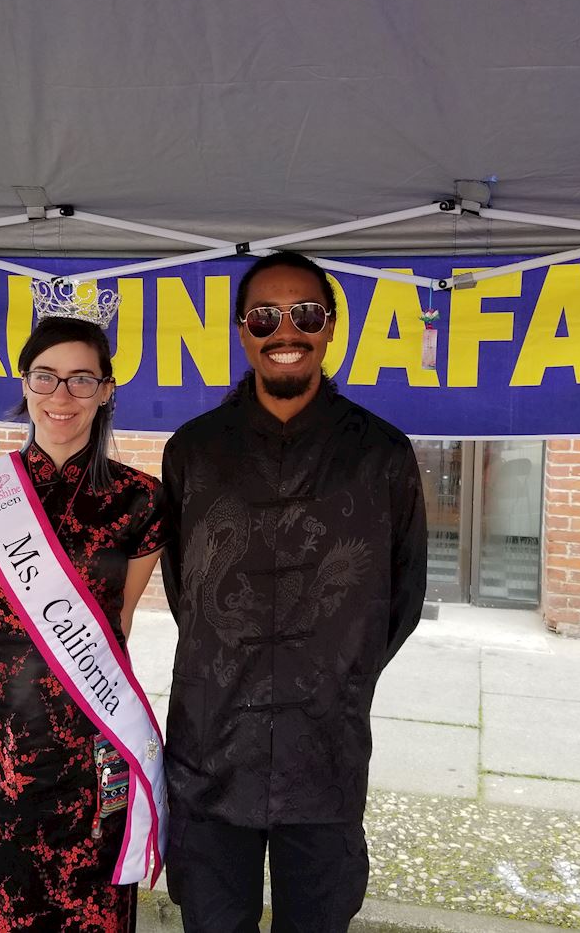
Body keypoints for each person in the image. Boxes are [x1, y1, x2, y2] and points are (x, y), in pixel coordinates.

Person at [160, 251, 428, 932]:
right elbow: (184, 588)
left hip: (325, 751)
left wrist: (337, 673)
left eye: (305, 314)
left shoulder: (382, 454)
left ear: (330, 326)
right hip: (212, 749)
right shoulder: (193, 451)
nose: (286, 331)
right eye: (265, 317)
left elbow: (401, 596)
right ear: (242, 332)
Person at [0, 308, 168, 933]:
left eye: (81, 379)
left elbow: (118, 620)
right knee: (2, 893)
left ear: (106, 391)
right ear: (25, 384)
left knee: (94, 900)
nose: (61, 396)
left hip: (96, 728)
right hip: (1, 733)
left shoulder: (141, 499)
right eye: (45, 377)